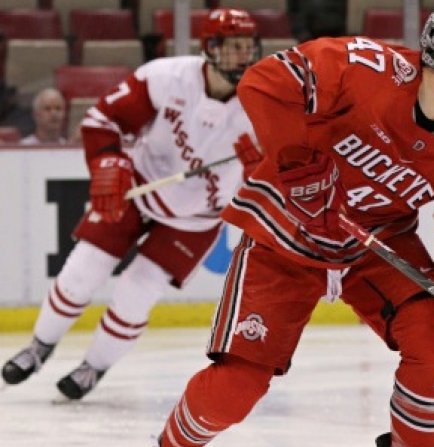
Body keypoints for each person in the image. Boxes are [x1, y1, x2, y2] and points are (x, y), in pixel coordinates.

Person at [130, 2, 434, 447]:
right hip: (287, 231)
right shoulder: (364, 68)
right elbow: (265, 82)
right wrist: (297, 162)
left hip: (375, 244)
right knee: (238, 384)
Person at [1, 9, 262, 401]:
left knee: (138, 292)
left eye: (249, 46)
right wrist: (109, 162)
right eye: (235, 46)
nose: (245, 55)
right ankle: (40, 346)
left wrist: (260, 172)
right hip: (141, 186)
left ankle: (94, 366)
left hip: (196, 218)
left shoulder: (262, 107)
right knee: (82, 270)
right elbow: (103, 120)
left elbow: (287, 175)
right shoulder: (168, 77)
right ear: (211, 47)